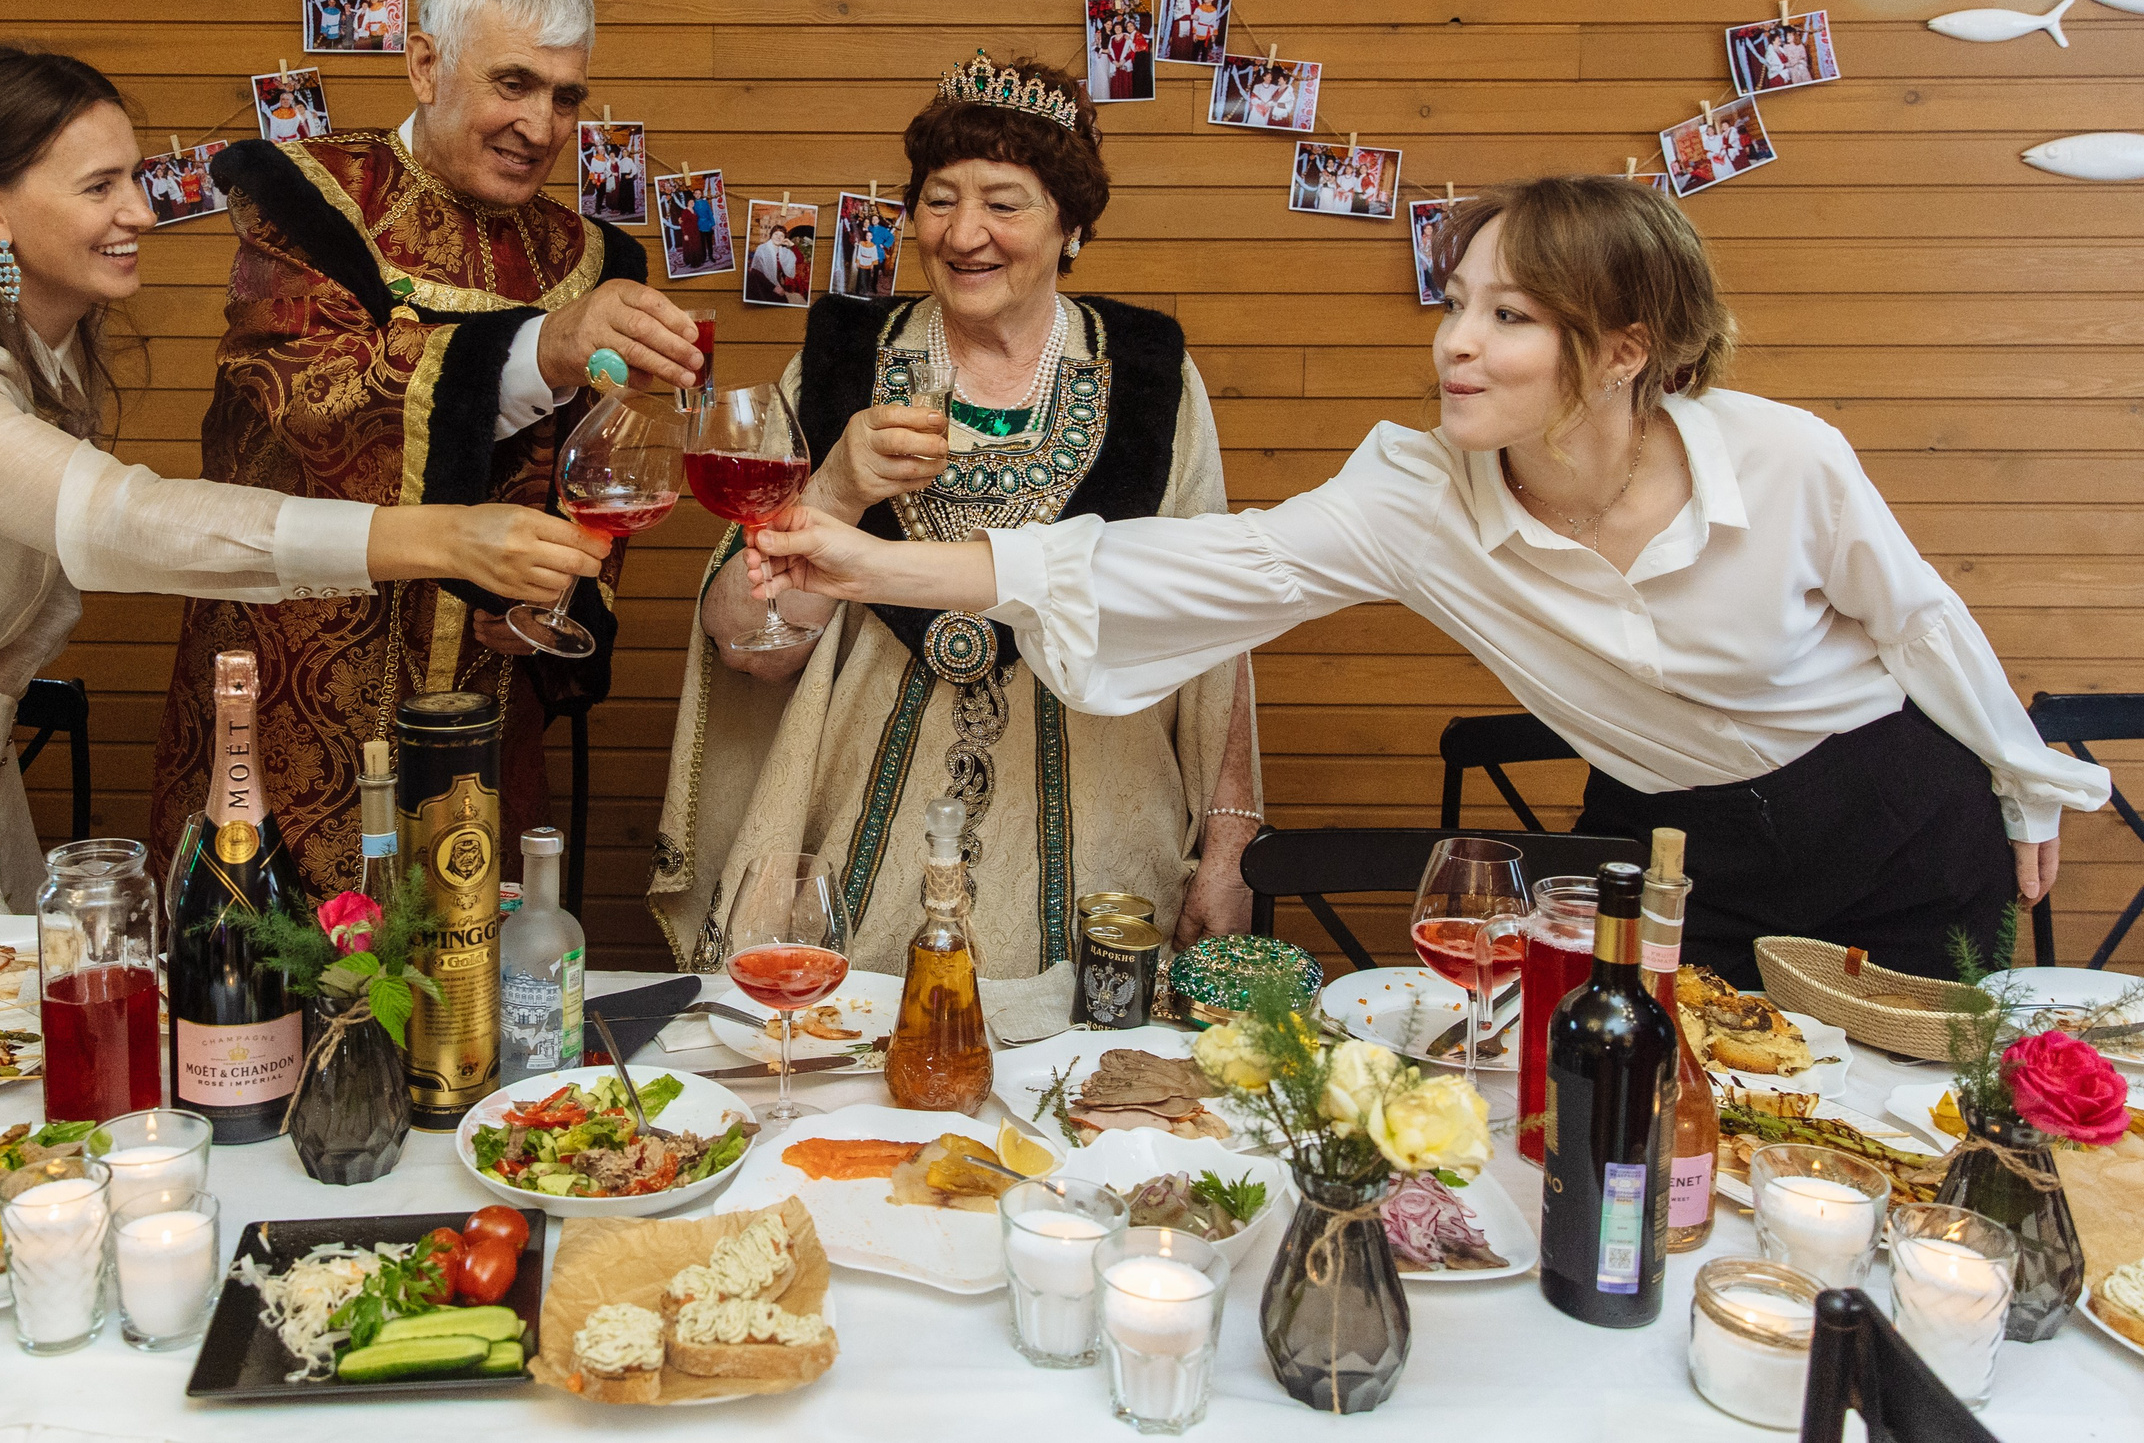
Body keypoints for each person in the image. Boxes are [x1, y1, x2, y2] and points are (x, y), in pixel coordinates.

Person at [749, 176, 2111, 987]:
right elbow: (1171, 563)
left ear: (1626, 345)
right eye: (1454, 301)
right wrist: (872, 558)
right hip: (1680, 844)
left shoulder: (1784, 457)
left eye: (1508, 314)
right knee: (1675, 1136)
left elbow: (1918, 618)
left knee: (1916, 1145)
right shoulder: (1414, 499)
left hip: (1897, 821)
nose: (1455, 343)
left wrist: (2021, 767)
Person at [0, 44, 605, 925]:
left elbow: (43, 574)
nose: (140, 212)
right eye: (99, 187)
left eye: (135, 178)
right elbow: (119, 521)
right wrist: (432, 537)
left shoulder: (51, 343)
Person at [648, 51, 1263, 976]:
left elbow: (1213, 623)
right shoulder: (838, 367)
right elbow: (749, 646)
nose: (964, 232)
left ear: (1073, 225)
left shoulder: (1151, 378)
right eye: (940, 198)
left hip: (1101, 838)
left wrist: (1226, 851)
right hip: (859, 848)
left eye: (1004, 202)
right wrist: (838, 489)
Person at [150, 0, 705, 900]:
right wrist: (545, 349)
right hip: (302, 692)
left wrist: (560, 600)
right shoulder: (308, 198)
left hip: (489, 711)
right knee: (271, 996)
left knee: (477, 995)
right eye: (515, 84)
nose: (540, 125)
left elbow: (601, 470)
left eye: (566, 97)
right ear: (423, 63)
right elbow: (306, 405)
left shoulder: (593, 258)